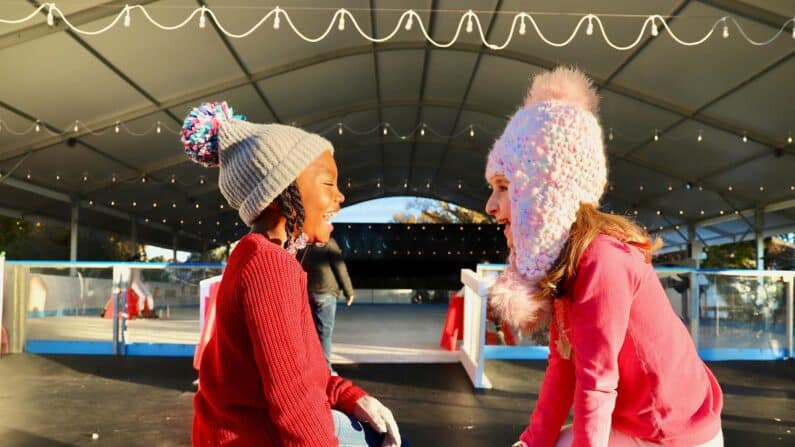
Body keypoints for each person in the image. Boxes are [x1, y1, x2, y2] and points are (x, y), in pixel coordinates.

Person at [483, 68, 723, 447]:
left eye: (503, 187)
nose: (490, 206)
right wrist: (531, 442)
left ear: (546, 192)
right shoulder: (569, 265)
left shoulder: (602, 260)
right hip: (637, 426)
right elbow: (563, 367)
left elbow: (596, 382)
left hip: (673, 437)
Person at [183, 102, 402, 447]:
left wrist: (352, 396)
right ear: (278, 193)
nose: (340, 196)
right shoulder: (269, 265)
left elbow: (308, 372)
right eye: (328, 183)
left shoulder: (263, 256)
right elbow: (294, 398)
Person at [299, 236, 355, 374]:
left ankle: (310, 367)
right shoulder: (328, 242)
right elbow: (340, 267)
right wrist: (349, 291)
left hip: (307, 292)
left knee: (309, 333)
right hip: (325, 292)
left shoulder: (301, 243)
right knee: (324, 334)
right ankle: (325, 370)